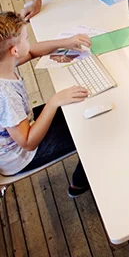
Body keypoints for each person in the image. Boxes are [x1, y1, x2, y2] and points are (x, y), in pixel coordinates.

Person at [0, 11, 91, 196]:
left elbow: (32, 51)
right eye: (26, 38)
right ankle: (80, 183)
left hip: (24, 126)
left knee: (80, 109)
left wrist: (65, 42)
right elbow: (28, 143)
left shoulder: (5, 63)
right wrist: (53, 102)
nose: (29, 42)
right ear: (15, 51)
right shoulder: (6, 96)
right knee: (90, 130)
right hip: (21, 156)